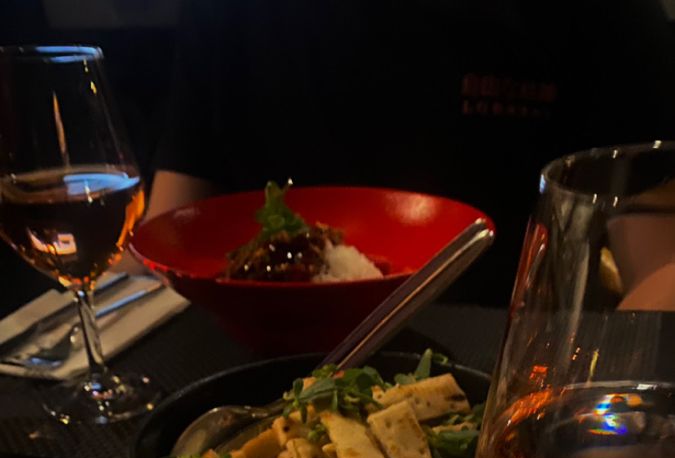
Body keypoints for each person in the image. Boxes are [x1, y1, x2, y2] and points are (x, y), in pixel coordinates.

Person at [146, 0, 674, 303]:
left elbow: (661, 268)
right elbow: (164, 240)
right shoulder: (225, 15)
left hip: (501, 381)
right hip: (238, 374)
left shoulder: (605, 17)